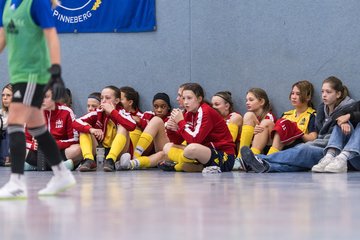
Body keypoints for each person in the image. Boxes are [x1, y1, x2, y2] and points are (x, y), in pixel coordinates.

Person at [0, 0, 76, 199]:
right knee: (37, 128)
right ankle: (61, 174)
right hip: (18, 75)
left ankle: (16, 183)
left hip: (34, 73)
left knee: (15, 121)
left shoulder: (36, 3)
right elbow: (2, 37)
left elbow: (51, 37)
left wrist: (56, 72)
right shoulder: (5, 3)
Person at [241, 76, 356, 173]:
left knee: (302, 150)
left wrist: (298, 133)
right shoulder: (322, 108)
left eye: (328, 92)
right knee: (298, 163)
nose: (324, 95)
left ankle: (258, 159)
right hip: (306, 146)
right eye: (322, 92)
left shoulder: (344, 110)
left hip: (329, 149)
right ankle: (266, 166)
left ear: (338, 94)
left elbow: (317, 136)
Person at [161, 83, 236, 172]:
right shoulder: (188, 113)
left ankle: (180, 165)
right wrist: (171, 130)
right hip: (204, 153)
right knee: (167, 146)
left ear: (199, 99)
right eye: (183, 98)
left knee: (191, 149)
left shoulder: (205, 111)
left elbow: (195, 140)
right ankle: (193, 166)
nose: (185, 102)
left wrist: (181, 122)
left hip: (224, 156)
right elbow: (178, 141)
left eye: (189, 98)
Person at [73, 85, 136, 172]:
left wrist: (113, 112)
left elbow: (132, 126)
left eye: (107, 98)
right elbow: (75, 122)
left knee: (123, 127)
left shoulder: (122, 112)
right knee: (85, 128)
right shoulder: (98, 112)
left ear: (117, 101)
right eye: (102, 98)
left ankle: (111, 160)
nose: (103, 101)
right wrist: (91, 129)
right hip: (101, 152)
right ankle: (88, 160)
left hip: (119, 152)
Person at [24, 89, 82, 171]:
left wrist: (56, 144)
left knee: (78, 149)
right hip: (38, 153)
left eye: (45, 97)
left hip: (59, 152)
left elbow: (74, 139)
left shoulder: (67, 112)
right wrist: (33, 145)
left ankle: (35, 166)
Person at [254, 80, 317, 155]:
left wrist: (298, 131)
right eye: (292, 93)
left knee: (285, 124)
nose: (293, 97)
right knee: (266, 123)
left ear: (308, 97)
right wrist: (258, 129)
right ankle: (252, 156)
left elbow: (313, 138)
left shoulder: (312, 115)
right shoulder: (286, 114)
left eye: (298, 94)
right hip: (279, 144)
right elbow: (276, 132)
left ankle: (269, 158)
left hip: (295, 146)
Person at [117, 92, 171, 170]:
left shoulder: (172, 118)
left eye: (163, 107)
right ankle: (131, 162)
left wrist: (143, 122)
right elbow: (135, 121)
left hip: (163, 147)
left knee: (156, 120)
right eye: (156, 106)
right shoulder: (148, 114)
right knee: (133, 125)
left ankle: (134, 157)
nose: (159, 110)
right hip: (147, 150)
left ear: (168, 107)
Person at [311, 101, 360, 173]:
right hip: (350, 158)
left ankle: (343, 157)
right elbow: (336, 114)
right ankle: (330, 156)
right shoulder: (358, 104)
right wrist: (343, 122)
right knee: (340, 122)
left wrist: (349, 116)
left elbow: (349, 115)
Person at [237, 88, 276, 157]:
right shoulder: (251, 117)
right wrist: (251, 132)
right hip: (249, 150)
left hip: (265, 151)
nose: (247, 103)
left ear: (261, 102)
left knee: (261, 121)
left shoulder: (269, 117)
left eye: (251, 100)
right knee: (248, 115)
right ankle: (240, 157)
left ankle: (248, 159)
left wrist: (255, 134)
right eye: (246, 100)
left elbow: (270, 138)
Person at [0, 83, 12, 166]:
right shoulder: (1, 112)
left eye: (8, 95)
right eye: (3, 95)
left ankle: (8, 159)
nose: (4, 98)